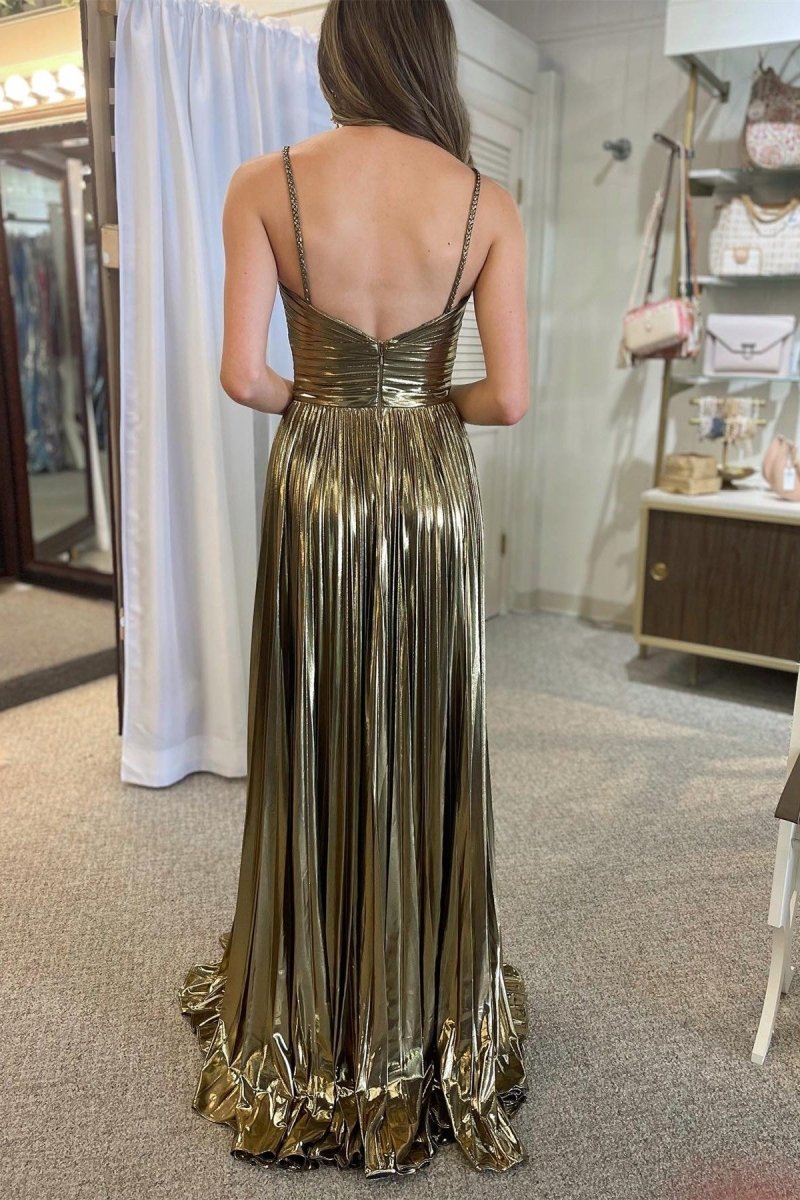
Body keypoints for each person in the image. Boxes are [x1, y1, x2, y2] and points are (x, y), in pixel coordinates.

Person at [178, 0, 530, 1178]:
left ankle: (309, 1010)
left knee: (316, 714)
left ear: (338, 57)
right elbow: (506, 399)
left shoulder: (261, 183)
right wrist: (414, 403)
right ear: (430, 56)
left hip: (319, 480)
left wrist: (332, 403)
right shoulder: (483, 203)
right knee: (424, 721)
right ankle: (419, 1011)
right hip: (429, 483)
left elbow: (243, 376)